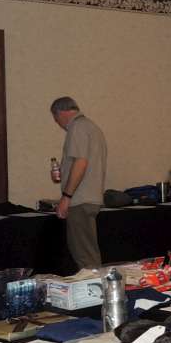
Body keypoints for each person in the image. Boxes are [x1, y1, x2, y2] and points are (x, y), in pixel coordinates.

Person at [50, 96, 108, 270]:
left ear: (60, 113)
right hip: (91, 198)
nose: (58, 123)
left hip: (80, 200)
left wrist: (66, 197)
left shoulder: (77, 127)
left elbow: (80, 163)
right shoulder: (92, 128)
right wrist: (64, 171)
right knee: (88, 252)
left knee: (84, 257)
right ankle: (95, 284)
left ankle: (93, 286)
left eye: (56, 119)